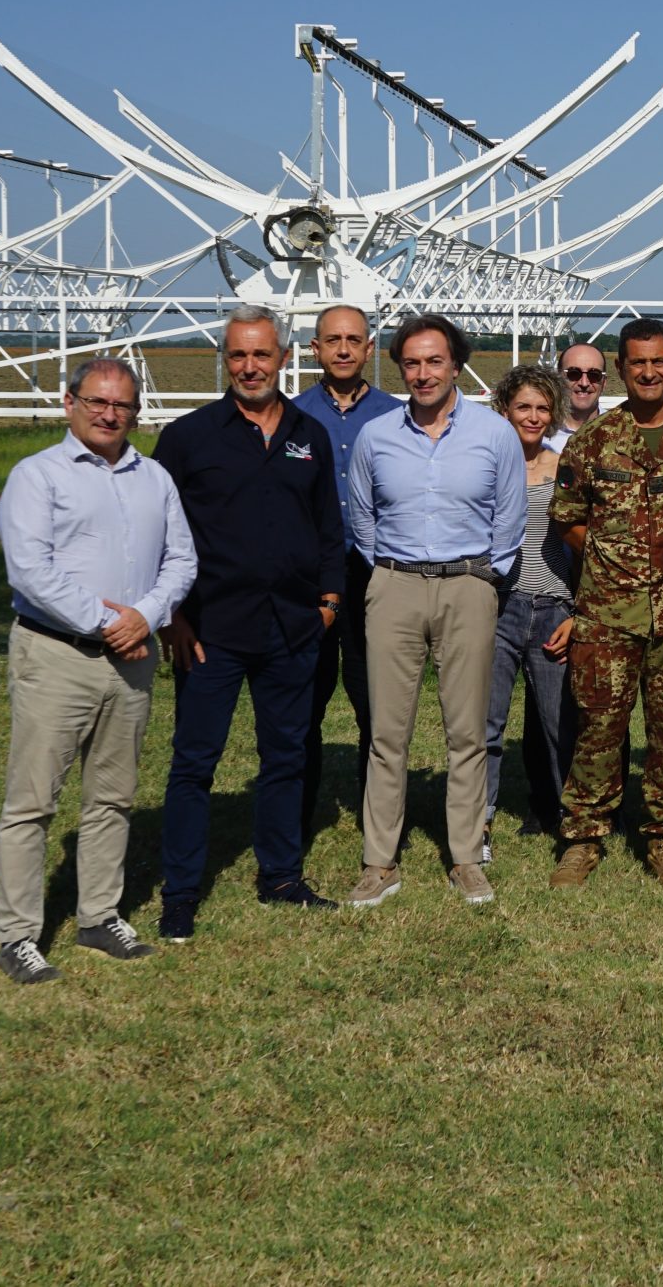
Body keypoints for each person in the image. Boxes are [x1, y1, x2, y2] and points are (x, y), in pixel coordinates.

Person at [0, 357, 196, 983]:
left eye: (123, 406)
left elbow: (181, 560)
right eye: (98, 402)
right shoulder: (37, 477)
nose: (110, 415)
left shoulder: (154, 478)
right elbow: (30, 569)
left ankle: (98, 915)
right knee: (33, 802)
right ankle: (18, 934)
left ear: (136, 411)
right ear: (69, 403)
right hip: (57, 655)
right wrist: (109, 624)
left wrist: (146, 616)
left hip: (130, 661)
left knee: (113, 796)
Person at [152, 306, 349, 941]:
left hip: (292, 628)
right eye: (238, 355)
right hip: (210, 630)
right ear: (224, 359)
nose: (250, 367)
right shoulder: (189, 438)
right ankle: (180, 892)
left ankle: (281, 875)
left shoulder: (307, 433)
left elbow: (328, 529)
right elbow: (158, 532)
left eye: (262, 355)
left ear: (284, 358)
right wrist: (172, 616)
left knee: (285, 755)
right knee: (193, 764)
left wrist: (328, 604)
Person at [342, 314, 526, 908]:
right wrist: (385, 576)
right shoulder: (377, 436)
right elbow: (362, 517)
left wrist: (485, 579)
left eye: (434, 362)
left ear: (456, 365)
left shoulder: (494, 434)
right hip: (393, 584)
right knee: (386, 734)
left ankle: (467, 858)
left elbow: (510, 517)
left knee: (466, 732)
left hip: (468, 585)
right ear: (400, 368)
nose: (423, 374)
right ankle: (379, 863)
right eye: (412, 364)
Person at [549, 317, 663, 888]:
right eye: (635, 363)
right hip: (608, 612)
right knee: (599, 728)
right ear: (620, 369)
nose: (647, 372)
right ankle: (583, 838)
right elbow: (568, 518)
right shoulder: (593, 440)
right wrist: (609, 555)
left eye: (658, 362)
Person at [292, 304, 404, 832]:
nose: (342, 349)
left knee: (374, 704)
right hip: (307, 578)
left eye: (353, 340)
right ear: (315, 348)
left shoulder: (395, 416)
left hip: (370, 574)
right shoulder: (290, 415)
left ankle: (376, 815)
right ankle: (296, 813)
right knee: (302, 705)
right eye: (332, 340)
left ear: (368, 348)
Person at [486, 363, 581, 843]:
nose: (534, 416)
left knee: (556, 723)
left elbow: (586, 543)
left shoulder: (564, 468)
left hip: (551, 606)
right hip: (496, 605)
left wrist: (577, 613)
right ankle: (476, 821)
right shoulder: (485, 464)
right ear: (504, 409)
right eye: (523, 406)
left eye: (543, 407)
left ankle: (572, 821)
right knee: (486, 722)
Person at [554, 342, 607, 449]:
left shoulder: (623, 431)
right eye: (573, 373)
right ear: (558, 379)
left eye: (594, 375)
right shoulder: (537, 433)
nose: (584, 383)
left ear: (604, 383)